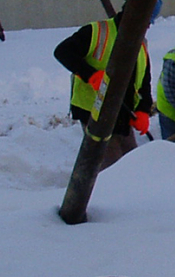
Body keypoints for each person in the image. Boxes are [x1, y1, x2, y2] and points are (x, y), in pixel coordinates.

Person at [53, 10, 153, 170]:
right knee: (112, 166)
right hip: (95, 111)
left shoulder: (141, 43)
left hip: (124, 113)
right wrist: (90, 75)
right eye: (147, 22)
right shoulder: (97, 32)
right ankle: (105, 192)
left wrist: (143, 110)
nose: (147, 27)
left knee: (133, 162)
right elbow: (62, 52)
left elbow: (144, 82)